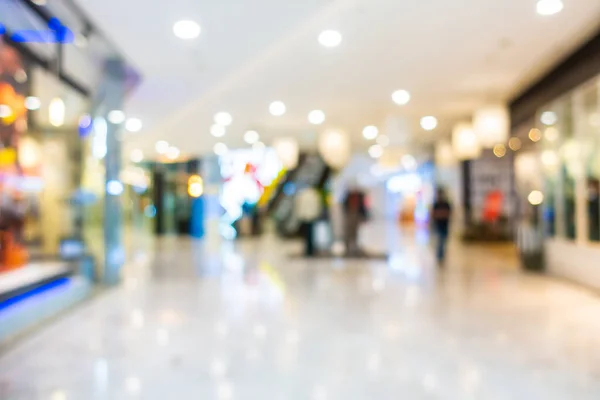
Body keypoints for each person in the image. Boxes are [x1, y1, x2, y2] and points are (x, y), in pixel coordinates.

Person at [432, 188, 452, 265]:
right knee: (439, 241)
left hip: (445, 225)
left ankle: (442, 255)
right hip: (438, 226)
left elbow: (448, 214)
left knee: (443, 241)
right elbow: (434, 214)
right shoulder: (436, 204)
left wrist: (440, 214)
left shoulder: (446, 204)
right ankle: (439, 256)